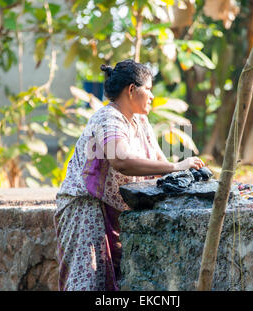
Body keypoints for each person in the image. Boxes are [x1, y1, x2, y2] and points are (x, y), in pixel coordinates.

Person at [54, 59, 205, 291]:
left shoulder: (140, 121)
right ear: (132, 90)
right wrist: (177, 167)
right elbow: (121, 160)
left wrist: (184, 173)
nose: (152, 96)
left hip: (115, 210)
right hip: (86, 209)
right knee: (87, 282)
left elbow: (158, 162)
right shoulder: (108, 118)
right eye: (149, 89)